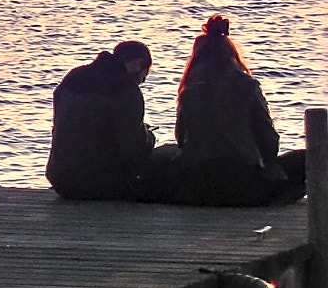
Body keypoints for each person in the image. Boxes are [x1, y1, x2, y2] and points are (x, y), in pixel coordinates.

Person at [166, 16, 306, 206]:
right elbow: (268, 137)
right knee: (306, 158)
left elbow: (181, 137)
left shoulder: (190, 89)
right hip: (243, 188)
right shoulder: (248, 86)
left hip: (197, 188)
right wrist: (267, 163)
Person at [46, 40, 156, 200]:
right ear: (138, 65)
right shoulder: (126, 90)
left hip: (60, 178)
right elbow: (132, 147)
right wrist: (148, 137)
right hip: (100, 183)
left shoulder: (73, 77)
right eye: (144, 76)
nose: (142, 82)